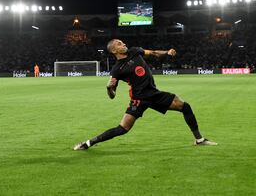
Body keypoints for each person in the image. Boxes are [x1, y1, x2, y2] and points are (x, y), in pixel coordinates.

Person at [74, 39, 217, 150]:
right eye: (119, 44)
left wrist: (166, 52)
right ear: (113, 50)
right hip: (138, 100)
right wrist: (108, 88)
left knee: (185, 107)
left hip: (154, 95)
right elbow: (112, 95)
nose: (123, 44)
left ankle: (199, 140)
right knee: (122, 129)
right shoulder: (117, 70)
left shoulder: (134, 51)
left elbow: (153, 52)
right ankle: (88, 143)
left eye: (122, 42)